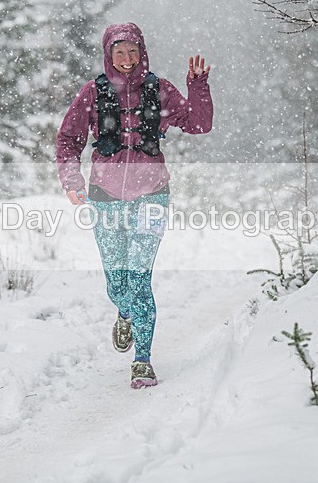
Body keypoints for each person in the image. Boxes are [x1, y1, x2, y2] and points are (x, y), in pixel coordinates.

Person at [56, 22, 213, 389]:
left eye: (133, 51)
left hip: (153, 195)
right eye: (119, 52)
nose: (127, 59)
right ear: (108, 55)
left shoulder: (160, 91)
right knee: (117, 282)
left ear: (142, 51)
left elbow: (199, 124)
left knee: (140, 278)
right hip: (105, 197)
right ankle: (124, 313)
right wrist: (72, 182)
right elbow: (68, 140)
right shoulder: (92, 94)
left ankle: (143, 359)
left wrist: (198, 87)